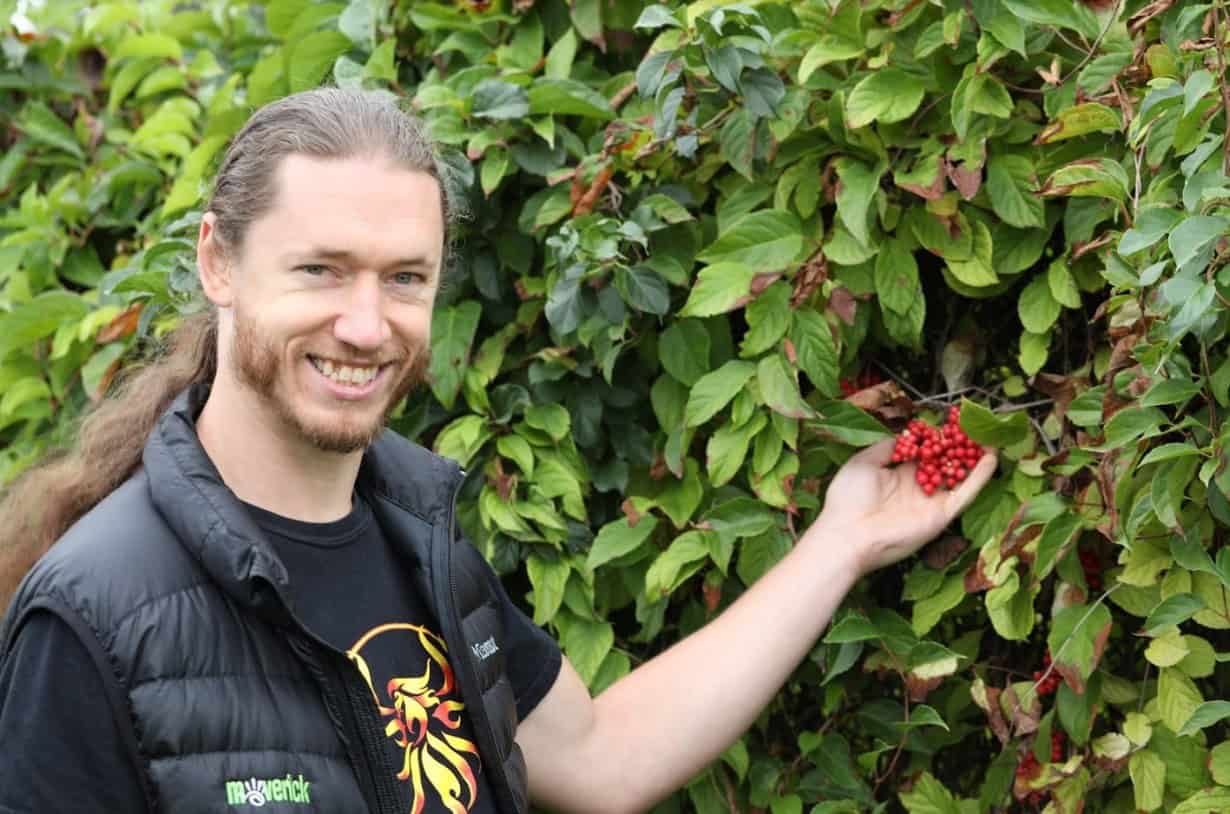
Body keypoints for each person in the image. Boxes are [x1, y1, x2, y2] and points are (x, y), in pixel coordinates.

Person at [0, 88, 997, 814]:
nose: (365, 323)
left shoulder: (418, 543)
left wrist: (845, 538)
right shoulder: (90, 621)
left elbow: (601, 755)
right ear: (220, 261)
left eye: (404, 278)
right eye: (321, 270)